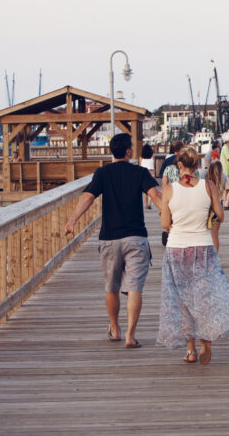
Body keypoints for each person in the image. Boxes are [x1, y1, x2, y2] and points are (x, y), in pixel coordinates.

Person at [157, 147, 229, 365]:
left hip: (177, 249)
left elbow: (165, 224)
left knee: (184, 301)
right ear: (196, 165)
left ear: (179, 166)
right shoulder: (208, 185)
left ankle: (190, 350)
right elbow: (220, 215)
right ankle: (206, 341)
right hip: (203, 246)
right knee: (204, 297)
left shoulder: (169, 190)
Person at [64, 133, 162, 348]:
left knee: (112, 287)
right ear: (128, 151)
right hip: (136, 236)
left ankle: (114, 328)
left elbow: (88, 196)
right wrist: (170, 219)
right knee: (135, 288)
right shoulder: (140, 172)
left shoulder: (102, 173)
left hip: (109, 238)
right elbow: (155, 195)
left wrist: (72, 220)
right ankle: (130, 335)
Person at [140, 143, 155, 209]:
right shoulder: (152, 157)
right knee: (152, 189)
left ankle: (146, 204)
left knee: (145, 190)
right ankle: (149, 203)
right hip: (151, 172)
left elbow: (140, 166)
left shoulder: (141, 157)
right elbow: (153, 165)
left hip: (143, 173)